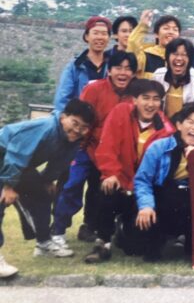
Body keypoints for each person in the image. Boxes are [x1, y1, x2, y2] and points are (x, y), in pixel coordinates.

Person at [0, 99, 95, 277]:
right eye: (75, 123)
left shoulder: (73, 139)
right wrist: (8, 186)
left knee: (43, 195)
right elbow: (16, 154)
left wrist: (47, 180)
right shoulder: (45, 127)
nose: (77, 130)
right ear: (63, 117)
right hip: (6, 157)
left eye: (83, 127)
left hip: (19, 165)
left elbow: (59, 163)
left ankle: (43, 243)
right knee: (1, 202)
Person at [52, 51, 138, 247]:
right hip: (87, 147)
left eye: (128, 69)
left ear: (134, 73)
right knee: (72, 185)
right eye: (118, 68)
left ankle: (95, 228)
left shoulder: (136, 95)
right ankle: (57, 230)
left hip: (115, 154)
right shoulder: (94, 89)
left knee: (105, 191)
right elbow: (82, 119)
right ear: (110, 70)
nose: (123, 73)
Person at [87, 79, 174, 263]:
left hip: (142, 191)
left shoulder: (166, 130)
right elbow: (107, 147)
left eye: (156, 99)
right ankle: (102, 242)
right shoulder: (120, 113)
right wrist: (111, 174)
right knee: (107, 188)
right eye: (145, 98)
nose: (150, 104)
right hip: (120, 182)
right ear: (134, 100)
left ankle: (123, 230)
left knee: (134, 249)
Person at [134, 104, 194, 261]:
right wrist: (146, 206)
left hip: (190, 201)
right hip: (162, 199)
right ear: (179, 125)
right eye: (190, 122)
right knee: (139, 249)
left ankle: (187, 243)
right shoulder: (159, 147)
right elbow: (143, 180)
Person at [54, 16, 112, 111]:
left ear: (109, 38)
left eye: (104, 34)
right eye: (95, 33)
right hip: (80, 117)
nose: (100, 37)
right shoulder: (74, 67)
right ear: (86, 36)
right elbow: (62, 100)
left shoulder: (113, 66)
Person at [152, 38, 194, 118]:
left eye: (184, 55)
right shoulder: (158, 75)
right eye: (175, 54)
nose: (179, 58)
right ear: (167, 57)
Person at [127, 9, 181, 79]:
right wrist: (143, 26)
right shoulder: (146, 56)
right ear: (156, 34)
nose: (171, 32)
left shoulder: (182, 59)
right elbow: (132, 44)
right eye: (166, 28)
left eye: (175, 29)